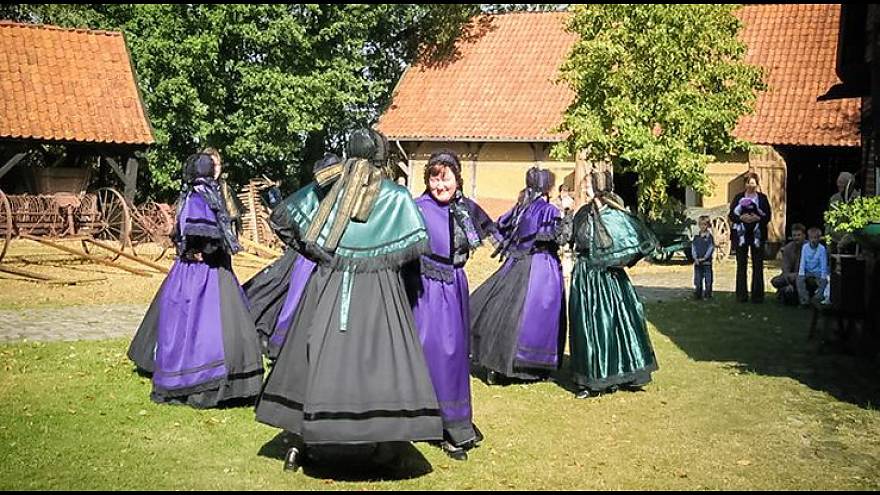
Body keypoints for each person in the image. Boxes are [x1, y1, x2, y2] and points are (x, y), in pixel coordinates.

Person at [254, 129, 442, 472]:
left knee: (312, 356)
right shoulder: (396, 197)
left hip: (328, 285)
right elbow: (413, 248)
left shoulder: (327, 188)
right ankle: (388, 443)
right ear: (380, 157)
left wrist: (323, 254)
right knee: (382, 359)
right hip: (379, 291)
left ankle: (298, 443)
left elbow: (284, 219)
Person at [127, 153, 264, 408]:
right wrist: (207, 251)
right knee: (207, 327)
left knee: (188, 326)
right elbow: (201, 235)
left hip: (195, 271)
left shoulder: (192, 194)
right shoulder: (202, 195)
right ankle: (203, 381)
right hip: (203, 273)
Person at [405, 150, 496, 461]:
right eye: (434, 177)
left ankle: (457, 419)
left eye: (446, 177)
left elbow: (484, 236)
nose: (440, 184)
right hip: (427, 289)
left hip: (455, 286)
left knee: (456, 355)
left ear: (458, 179)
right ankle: (441, 426)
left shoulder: (465, 209)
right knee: (436, 352)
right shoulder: (416, 209)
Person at [470, 167, 570, 385]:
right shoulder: (548, 210)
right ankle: (528, 367)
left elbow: (501, 229)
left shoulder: (521, 208)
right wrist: (567, 217)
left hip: (516, 263)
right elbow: (556, 237)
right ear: (547, 187)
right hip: (541, 267)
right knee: (533, 316)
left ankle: (496, 364)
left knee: (502, 311)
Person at [568, 170, 659, 399]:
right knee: (588, 326)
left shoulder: (616, 215)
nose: (584, 189)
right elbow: (573, 239)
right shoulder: (582, 214)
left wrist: (615, 260)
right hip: (586, 276)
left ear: (598, 188)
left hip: (610, 279)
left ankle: (621, 372)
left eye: (588, 185)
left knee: (615, 323)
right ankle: (592, 379)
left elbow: (633, 243)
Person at [241, 154, 340, 359]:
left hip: (317, 257)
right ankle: (273, 340)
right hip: (303, 257)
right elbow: (285, 217)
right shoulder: (312, 196)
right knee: (284, 294)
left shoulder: (339, 198)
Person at [729, 172, 772, 303]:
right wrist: (741, 218)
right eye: (748, 183)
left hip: (757, 234)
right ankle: (741, 296)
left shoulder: (762, 198)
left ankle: (757, 296)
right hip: (741, 234)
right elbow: (732, 214)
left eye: (753, 183)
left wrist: (757, 218)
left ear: (757, 184)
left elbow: (768, 216)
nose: (750, 185)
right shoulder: (738, 197)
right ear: (745, 184)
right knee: (741, 265)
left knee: (758, 264)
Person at [201, 147, 245, 237]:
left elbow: (232, 213)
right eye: (211, 165)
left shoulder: (223, 187)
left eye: (218, 165)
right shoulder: (197, 188)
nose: (215, 169)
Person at [770, 223, 806, 305]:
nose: (796, 237)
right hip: (790, 276)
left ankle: (785, 292)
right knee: (775, 281)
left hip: (804, 275)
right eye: (794, 235)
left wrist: (797, 275)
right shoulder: (788, 248)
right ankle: (787, 290)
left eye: (799, 235)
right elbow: (785, 267)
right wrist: (789, 281)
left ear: (804, 236)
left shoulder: (808, 248)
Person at [797, 227, 829, 307]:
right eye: (811, 238)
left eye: (815, 238)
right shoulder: (805, 247)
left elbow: (823, 264)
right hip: (808, 270)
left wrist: (823, 276)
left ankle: (816, 299)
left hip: (818, 271)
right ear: (808, 238)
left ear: (819, 239)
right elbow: (803, 261)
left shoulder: (822, 249)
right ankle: (805, 300)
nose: (813, 240)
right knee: (799, 280)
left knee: (824, 282)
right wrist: (801, 274)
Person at [692, 215, 715, 300]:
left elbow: (711, 248)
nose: (702, 226)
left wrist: (705, 258)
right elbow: (693, 248)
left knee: (708, 280)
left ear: (708, 225)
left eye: (704, 224)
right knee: (697, 279)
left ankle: (708, 293)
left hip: (707, 262)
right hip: (698, 262)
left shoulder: (709, 238)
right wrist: (695, 258)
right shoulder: (696, 237)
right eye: (701, 224)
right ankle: (698, 293)